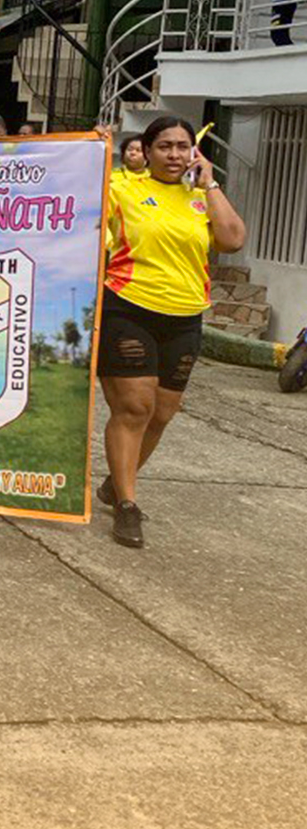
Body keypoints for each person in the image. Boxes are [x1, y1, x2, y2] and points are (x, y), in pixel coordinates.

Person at [97, 113, 246, 549]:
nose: (175, 155)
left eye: (183, 147)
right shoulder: (123, 188)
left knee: (162, 414)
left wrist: (210, 185)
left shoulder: (200, 198)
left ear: (194, 153)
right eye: (165, 146)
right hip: (129, 307)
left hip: (185, 317)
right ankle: (127, 505)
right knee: (135, 408)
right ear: (146, 150)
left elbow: (233, 240)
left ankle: (116, 482)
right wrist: (96, 156)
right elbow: (81, 208)